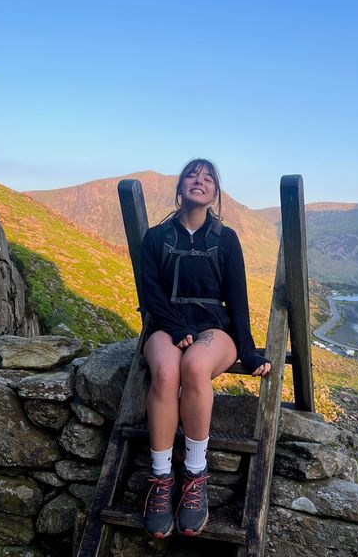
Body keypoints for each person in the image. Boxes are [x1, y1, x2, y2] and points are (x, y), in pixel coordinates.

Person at [140, 158, 270, 539]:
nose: (200, 182)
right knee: (165, 371)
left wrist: (248, 350)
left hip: (215, 328)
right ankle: (162, 482)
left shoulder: (225, 239)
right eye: (192, 176)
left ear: (215, 194)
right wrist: (176, 326)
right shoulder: (155, 238)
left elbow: (238, 299)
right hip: (167, 323)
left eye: (208, 178)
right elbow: (150, 294)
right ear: (180, 188)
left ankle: (195, 478)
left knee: (195, 367)